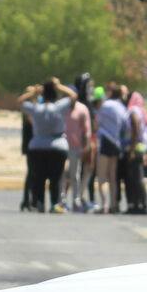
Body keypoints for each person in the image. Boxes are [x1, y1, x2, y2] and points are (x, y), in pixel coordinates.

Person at [19, 78, 73, 213]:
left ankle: (40, 202)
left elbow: (20, 102)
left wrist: (34, 93)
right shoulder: (59, 107)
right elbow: (73, 96)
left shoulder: (37, 108)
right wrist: (59, 86)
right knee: (56, 178)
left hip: (37, 147)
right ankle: (55, 203)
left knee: (39, 178)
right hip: (58, 146)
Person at [93, 81, 129, 214]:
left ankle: (104, 205)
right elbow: (125, 126)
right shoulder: (122, 107)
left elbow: (97, 124)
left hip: (105, 141)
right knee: (113, 176)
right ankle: (114, 204)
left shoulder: (105, 105)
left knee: (102, 176)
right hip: (116, 143)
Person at [62, 84, 93, 213]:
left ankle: (76, 199)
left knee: (75, 175)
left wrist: (86, 147)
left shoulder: (82, 109)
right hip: (62, 146)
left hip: (76, 147)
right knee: (62, 174)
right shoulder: (62, 107)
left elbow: (86, 130)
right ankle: (61, 199)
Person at [120, 86, 147, 215]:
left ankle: (139, 205)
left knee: (134, 178)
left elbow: (135, 126)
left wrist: (131, 149)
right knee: (137, 177)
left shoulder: (133, 111)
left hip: (134, 148)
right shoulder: (142, 111)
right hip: (141, 148)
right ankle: (139, 204)